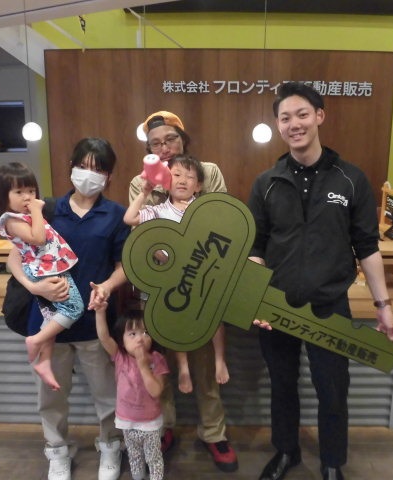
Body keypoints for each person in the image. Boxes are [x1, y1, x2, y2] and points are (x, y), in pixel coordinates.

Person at [247, 82, 393, 480]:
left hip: (329, 305)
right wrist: (256, 298)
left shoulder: (350, 179)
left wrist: (384, 306)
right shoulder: (267, 182)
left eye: (302, 114)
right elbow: (256, 246)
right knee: (282, 386)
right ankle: (287, 452)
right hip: (276, 304)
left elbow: (367, 246)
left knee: (333, 388)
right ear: (278, 125)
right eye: (285, 118)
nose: (294, 124)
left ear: (319, 116)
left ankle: (332, 461)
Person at [7, 138, 130, 480]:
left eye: (98, 169)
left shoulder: (116, 215)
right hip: (48, 322)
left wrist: (107, 286)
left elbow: (124, 266)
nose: (89, 174)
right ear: (71, 167)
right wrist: (34, 286)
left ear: (109, 175)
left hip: (95, 320)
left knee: (107, 394)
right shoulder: (45, 209)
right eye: (83, 166)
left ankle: (110, 446)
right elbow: (15, 256)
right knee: (51, 396)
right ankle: (58, 450)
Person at [128, 111, 238, 472]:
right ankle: (164, 427)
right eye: (155, 143)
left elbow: (221, 218)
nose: (164, 147)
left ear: (183, 139)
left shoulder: (208, 171)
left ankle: (214, 433)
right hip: (159, 286)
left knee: (205, 363)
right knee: (160, 363)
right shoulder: (141, 181)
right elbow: (140, 233)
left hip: (202, 282)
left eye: (170, 139)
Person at [124, 154, 230, 394]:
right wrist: (144, 191)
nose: (182, 180)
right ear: (165, 182)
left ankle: (219, 359)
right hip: (171, 276)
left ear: (199, 185)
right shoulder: (158, 210)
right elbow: (129, 218)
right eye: (177, 175)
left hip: (201, 273)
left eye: (190, 177)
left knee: (214, 314)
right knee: (175, 318)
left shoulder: (206, 209)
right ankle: (183, 368)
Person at [0, 162, 84, 391]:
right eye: (19, 192)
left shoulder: (24, 216)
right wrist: (36, 209)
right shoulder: (11, 220)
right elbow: (38, 239)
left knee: (51, 317)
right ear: (3, 196)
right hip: (45, 271)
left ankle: (44, 361)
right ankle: (35, 340)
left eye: (31, 190)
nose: (27, 197)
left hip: (50, 268)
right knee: (74, 308)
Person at [93, 297, 169, 480]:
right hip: (126, 420)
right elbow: (104, 337)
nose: (140, 339)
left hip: (150, 422)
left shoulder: (157, 359)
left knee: (153, 458)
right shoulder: (120, 356)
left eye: (145, 333)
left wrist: (143, 366)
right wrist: (100, 312)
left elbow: (156, 391)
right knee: (134, 456)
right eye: (132, 334)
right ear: (122, 339)